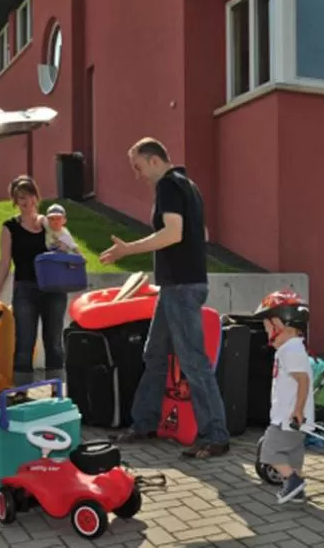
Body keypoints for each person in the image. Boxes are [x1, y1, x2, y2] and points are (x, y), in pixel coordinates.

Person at [99, 137, 230, 459]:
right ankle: (143, 424)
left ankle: (216, 435)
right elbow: (204, 236)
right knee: (154, 354)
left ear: (155, 161)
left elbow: (174, 233)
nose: (137, 175)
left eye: (138, 167)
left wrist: (128, 250)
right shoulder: (189, 186)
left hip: (182, 288)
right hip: (178, 286)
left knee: (193, 363)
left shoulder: (169, 187)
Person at [0, 175, 67, 404]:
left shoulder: (49, 223)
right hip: (25, 290)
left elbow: (69, 249)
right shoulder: (10, 227)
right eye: (20, 197)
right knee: (24, 340)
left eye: (29, 196)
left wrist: (62, 246)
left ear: (36, 197)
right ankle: (22, 389)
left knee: (54, 340)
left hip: (54, 289)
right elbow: (4, 263)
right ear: (15, 201)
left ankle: (56, 388)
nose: (26, 201)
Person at [253, 290, 315, 504]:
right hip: (294, 418)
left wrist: (297, 409)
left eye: (267, 326)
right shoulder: (292, 348)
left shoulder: (290, 350)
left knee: (269, 452)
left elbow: (303, 380)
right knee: (293, 454)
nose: (266, 331)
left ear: (280, 324)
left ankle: (293, 481)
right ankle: (296, 490)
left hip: (288, 418)